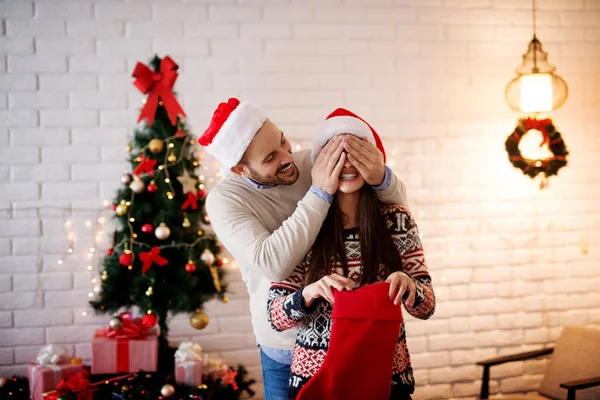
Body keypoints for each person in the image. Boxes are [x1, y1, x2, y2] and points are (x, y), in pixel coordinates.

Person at [200, 98, 409, 400]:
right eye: (271, 157)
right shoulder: (224, 201)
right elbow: (274, 264)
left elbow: (398, 207)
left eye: (284, 141)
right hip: (284, 342)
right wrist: (320, 191)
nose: (288, 157)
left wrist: (380, 177)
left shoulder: (310, 163)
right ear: (240, 169)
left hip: (341, 334)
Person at [267, 109, 435, 399]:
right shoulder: (305, 224)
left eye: (356, 152)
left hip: (386, 379)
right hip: (316, 381)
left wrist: (409, 286)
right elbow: (275, 316)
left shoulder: (397, 220)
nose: (347, 163)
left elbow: (427, 306)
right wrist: (309, 292)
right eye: (335, 153)